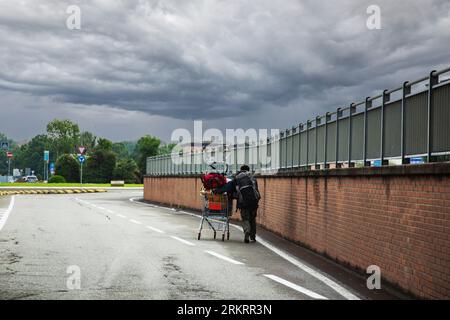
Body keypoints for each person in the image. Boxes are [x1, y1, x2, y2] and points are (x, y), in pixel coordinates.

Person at [215, 165, 260, 243]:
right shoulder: (253, 178)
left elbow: (228, 187)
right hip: (254, 202)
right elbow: (256, 190)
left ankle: (247, 232)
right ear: (248, 170)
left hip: (243, 202)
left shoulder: (237, 178)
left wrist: (217, 191)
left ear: (241, 170)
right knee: (252, 218)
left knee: (245, 218)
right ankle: (253, 237)